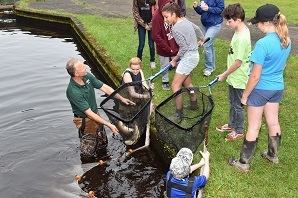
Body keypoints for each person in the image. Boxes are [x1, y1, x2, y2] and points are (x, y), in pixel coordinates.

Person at [228, 4, 291, 172]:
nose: (256, 25)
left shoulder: (263, 44)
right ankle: (272, 155)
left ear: (267, 23)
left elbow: (255, 76)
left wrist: (245, 96)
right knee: (273, 121)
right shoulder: (286, 39)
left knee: (254, 126)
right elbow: (282, 66)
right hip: (277, 87)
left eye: (258, 23)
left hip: (260, 89)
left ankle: (243, 162)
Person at [66, 58, 135, 159]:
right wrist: (108, 124)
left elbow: (104, 87)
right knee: (87, 152)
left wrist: (121, 98)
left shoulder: (86, 76)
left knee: (103, 143)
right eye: (82, 67)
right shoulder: (73, 91)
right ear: (76, 74)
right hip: (85, 120)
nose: (85, 68)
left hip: (95, 114)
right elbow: (89, 113)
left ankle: (104, 163)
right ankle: (87, 169)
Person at [161, 2, 204, 120]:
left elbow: (184, 48)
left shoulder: (175, 29)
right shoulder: (185, 20)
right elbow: (197, 28)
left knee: (175, 86)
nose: (165, 20)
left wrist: (174, 60)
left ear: (174, 14)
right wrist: (202, 39)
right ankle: (194, 105)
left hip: (188, 58)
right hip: (194, 55)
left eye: (166, 17)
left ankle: (178, 113)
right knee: (186, 82)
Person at [215, 3, 251, 141]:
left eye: (229, 21)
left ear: (238, 19)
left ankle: (239, 130)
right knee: (232, 102)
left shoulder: (242, 38)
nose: (227, 24)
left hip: (239, 77)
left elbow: (238, 62)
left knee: (238, 105)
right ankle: (231, 124)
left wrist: (224, 74)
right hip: (232, 76)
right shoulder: (238, 31)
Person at [119, 57, 153, 145]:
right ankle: (129, 135)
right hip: (127, 100)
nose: (135, 71)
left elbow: (143, 83)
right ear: (130, 67)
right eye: (133, 69)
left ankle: (136, 132)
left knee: (136, 117)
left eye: (137, 69)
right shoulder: (127, 75)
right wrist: (145, 96)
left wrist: (149, 88)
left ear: (140, 67)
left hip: (137, 99)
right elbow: (132, 93)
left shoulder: (140, 71)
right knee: (128, 119)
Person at [151, 0, 180, 91]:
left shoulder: (173, 11)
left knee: (179, 61)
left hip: (174, 44)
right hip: (163, 47)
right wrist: (167, 48)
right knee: (164, 64)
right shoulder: (156, 17)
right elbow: (155, 36)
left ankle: (181, 79)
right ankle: (165, 81)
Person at [193, 0, 224, 76]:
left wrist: (209, 9)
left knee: (206, 44)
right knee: (209, 45)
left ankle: (208, 68)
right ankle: (212, 66)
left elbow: (221, 9)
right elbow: (202, 11)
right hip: (205, 24)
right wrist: (196, 7)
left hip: (215, 24)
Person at [133, 0, 157, 69]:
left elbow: (156, 13)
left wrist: (150, 25)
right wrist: (144, 25)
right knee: (141, 44)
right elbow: (135, 13)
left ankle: (152, 60)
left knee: (151, 44)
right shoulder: (136, 1)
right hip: (141, 25)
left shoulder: (153, 1)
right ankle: (138, 61)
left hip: (151, 25)